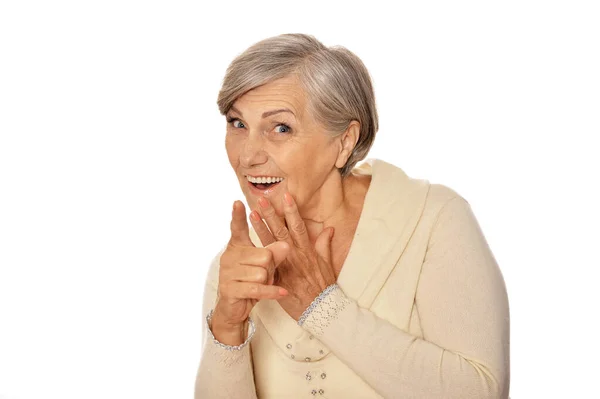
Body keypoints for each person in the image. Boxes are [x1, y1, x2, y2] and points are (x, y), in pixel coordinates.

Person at [194, 33, 510, 399]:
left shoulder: (431, 220)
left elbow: (480, 391)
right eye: (237, 124)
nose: (247, 155)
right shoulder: (236, 267)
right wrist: (226, 329)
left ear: (344, 142)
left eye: (280, 128)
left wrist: (323, 307)